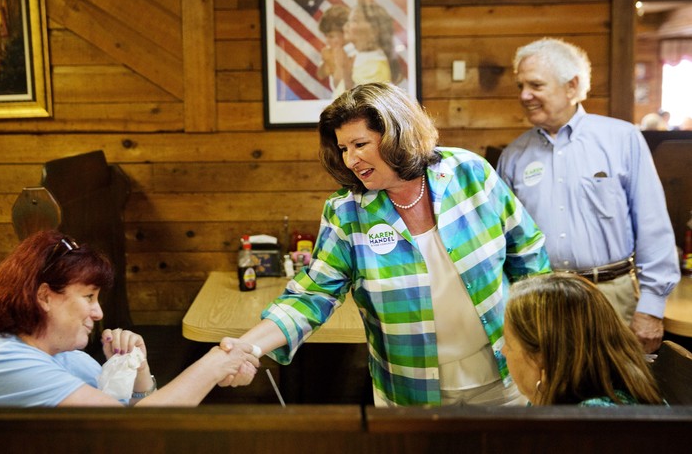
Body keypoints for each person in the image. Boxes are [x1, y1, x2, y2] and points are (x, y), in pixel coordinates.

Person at [219, 82, 551, 406]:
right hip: (410, 392)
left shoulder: (469, 173)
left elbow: (528, 255)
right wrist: (247, 347)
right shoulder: (346, 212)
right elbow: (311, 296)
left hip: (506, 376)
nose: (350, 160)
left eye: (360, 144)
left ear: (398, 134)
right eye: (343, 148)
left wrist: (540, 341)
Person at [496, 37, 680, 353]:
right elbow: (504, 243)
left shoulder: (622, 139)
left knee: (616, 397)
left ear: (572, 86)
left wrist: (651, 307)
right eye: (520, 86)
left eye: (535, 85)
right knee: (551, 399)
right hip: (542, 302)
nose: (524, 95)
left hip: (613, 297)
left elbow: (653, 226)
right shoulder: (513, 156)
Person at [0, 230, 258, 407]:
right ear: (45, 296)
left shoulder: (64, 355)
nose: (99, 312)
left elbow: (133, 420)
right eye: (89, 297)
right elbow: (136, 432)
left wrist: (139, 370)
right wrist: (214, 364)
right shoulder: (4, 362)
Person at [503, 272, 664, 406]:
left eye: (509, 345)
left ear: (542, 357)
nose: (503, 351)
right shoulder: (569, 400)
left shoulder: (592, 422)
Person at [336, 1, 401, 92]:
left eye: (354, 20)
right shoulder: (357, 57)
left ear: (374, 29)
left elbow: (359, 104)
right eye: (348, 20)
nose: (346, 26)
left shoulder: (376, 69)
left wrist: (347, 76)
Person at [316, 4, 350, 99]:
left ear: (346, 32)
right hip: (337, 98)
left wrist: (338, 64)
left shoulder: (354, 52)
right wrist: (327, 61)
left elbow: (341, 85)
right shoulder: (330, 51)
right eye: (325, 36)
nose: (327, 41)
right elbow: (321, 75)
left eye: (331, 36)